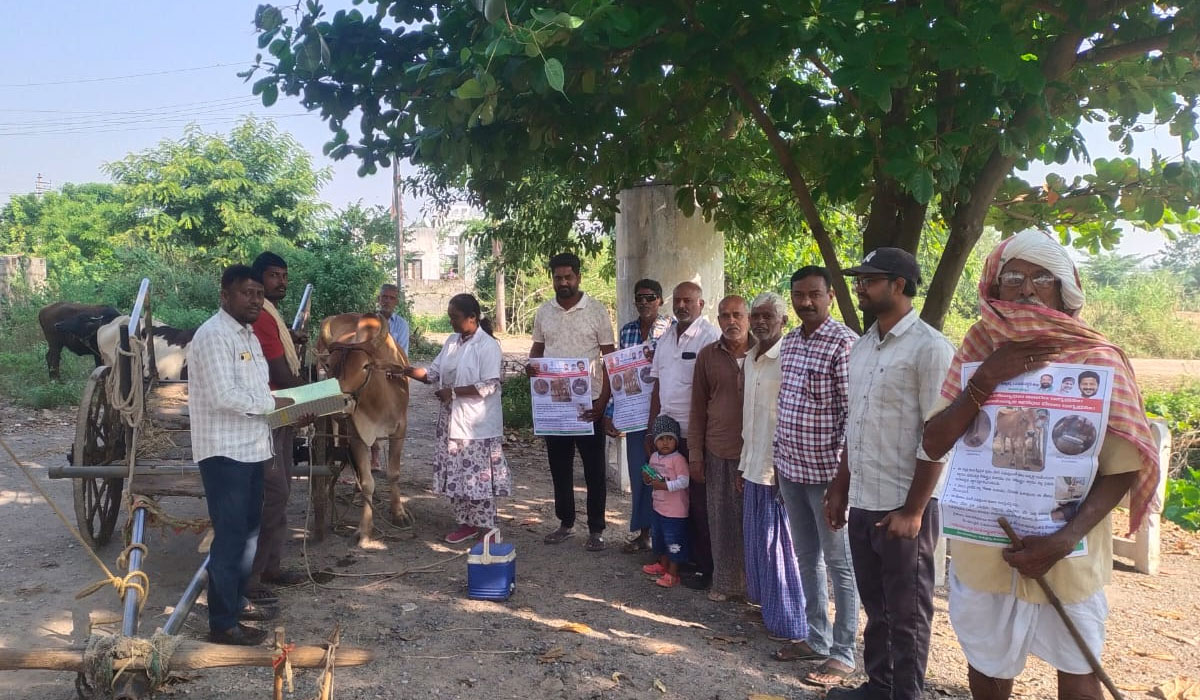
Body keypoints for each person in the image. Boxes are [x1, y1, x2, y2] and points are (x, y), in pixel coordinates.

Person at [921, 230, 1159, 700]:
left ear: (1064, 290)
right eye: (1013, 277)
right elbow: (933, 440)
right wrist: (987, 378)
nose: (1027, 289)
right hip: (986, 550)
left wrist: (1064, 539)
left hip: (1068, 551)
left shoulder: (1097, 358)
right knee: (988, 674)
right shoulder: (979, 347)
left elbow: (1123, 466)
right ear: (995, 287)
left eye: (1042, 278)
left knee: (1080, 676)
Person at [824, 248, 955, 700]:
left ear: (899, 285)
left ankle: (906, 694)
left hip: (904, 506)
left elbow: (937, 436)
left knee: (908, 613)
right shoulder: (863, 346)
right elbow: (856, 424)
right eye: (859, 280)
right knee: (877, 608)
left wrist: (914, 510)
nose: (860, 287)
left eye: (869, 280)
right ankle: (879, 687)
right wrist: (840, 487)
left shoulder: (930, 348)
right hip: (865, 499)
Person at [189, 265, 293, 645]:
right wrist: (275, 404)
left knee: (249, 531)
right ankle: (222, 624)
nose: (255, 300)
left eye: (258, 294)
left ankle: (235, 603)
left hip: (251, 448)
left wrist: (288, 408)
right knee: (231, 537)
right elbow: (224, 396)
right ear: (225, 295)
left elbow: (256, 393)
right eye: (246, 293)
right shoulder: (214, 335)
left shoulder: (247, 335)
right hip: (224, 452)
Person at [772, 266, 860, 683]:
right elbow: (786, 404)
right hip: (791, 470)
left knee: (839, 564)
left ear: (830, 297)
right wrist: (778, 462)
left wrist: (842, 483)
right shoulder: (790, 342)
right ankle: (816, 638)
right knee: (807, 558)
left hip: (828, 477)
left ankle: (844, 652)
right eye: (798, 295)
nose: (805, 302)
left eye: (814, 295)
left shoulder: (844, 344)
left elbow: (854, 416)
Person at [528, 253, 616, 550]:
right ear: (552, 279)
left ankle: (596, 529)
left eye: (568, 277)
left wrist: (603, 402)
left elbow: (609, 358)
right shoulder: (544, 311)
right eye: (558, 278)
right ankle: (565, 523)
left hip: (588, 403)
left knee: (594, 470)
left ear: (578, 277)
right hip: (555, 406)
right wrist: (532, 368)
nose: (563, 282)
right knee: (559, 467)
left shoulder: (596, 310)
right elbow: (537, 350)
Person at [406, 294, 511, 543]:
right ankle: (466, 523)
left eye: (455, 317)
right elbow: (432, 374)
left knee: (478, 476)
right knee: (456, 473)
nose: (451, 322)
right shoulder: (452, 342)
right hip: (450, 420)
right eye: (450, 317)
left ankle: (486, 527)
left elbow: (490, 385)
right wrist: (404, 370)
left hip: (477, 424)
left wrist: (453, 392)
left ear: (472, 318)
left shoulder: (487, 345)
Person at [739, 292, 808, 645]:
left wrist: (786, 464)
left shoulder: (789, 358)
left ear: (783, 321)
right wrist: (743, 463)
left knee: (779, 545)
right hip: (753, 462)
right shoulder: (750, 359)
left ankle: (790, 622)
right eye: (756, 315)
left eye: (768, 316)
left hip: (778, 466)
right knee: (757, 542)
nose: (760, 322)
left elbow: (795, 415)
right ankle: (768, 607)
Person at [645, 281, 720, 589]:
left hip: (695, 435)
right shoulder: (665, 337)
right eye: (678, 300)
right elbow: (657, 385)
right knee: (669, 499)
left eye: (688, 300)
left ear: (701, 304)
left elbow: (712, 392)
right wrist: (652, 427)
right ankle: (678, 558)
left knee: (699, 503)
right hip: (666, 436)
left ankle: (705, 566)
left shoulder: (709, 337)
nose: (682, 305)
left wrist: (701, 441)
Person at [243, 252, 309, 604]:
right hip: (266, 415)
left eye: (284, 275)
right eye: (273, 276)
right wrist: (312, 397)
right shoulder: (264, 318)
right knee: (273, 492)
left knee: (281, 489)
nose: (281, 282)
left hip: (278, 413)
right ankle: (252, 577)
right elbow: (280, 374)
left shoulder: (273, 316)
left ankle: (270, 566)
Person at [689, 295, 752, 602]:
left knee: (754, 522)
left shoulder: (765, 354)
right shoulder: (707, 356)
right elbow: (697, 409)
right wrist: (695, 455)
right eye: (725, 316)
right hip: (718, 449)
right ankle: (725, 584)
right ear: (718, 321)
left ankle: (756, 587)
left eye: (737, 315)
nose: (731, 321)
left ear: (748, 317)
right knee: (721, 519)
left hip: (756, 455)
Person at [604, 278, 673, 554]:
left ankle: (666, 537)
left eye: (650, 297)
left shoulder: (672, 329)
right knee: (640, 473)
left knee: (665, 473)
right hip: (634, 416)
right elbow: (618, 376)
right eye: (639, 298)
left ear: (660, 300)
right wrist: (611, 413)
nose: (644, 303)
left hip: (664, 414)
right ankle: (644, 533)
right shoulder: (627, 331)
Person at [640, 414, 691, 588]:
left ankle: (673, 573)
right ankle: (662, 565)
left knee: (674, 543)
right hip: (658, 508)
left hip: (675, 512)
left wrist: (664, 486)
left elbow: (684, 481)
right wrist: (647, 478)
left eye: (670, 438)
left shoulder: (678, 459)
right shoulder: (654, 457)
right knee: (659, 538)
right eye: (661, 439)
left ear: (676, 440)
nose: (666, 443)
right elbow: (651, 479)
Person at [372, 283, 410, 472]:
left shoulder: (402, 324)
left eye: (391, 298)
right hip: (371, 372)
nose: (387, 301)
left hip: (393, 372)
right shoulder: (367, 321)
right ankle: (374, 456)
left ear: (396, 302)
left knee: (395, 414)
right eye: (384, 297)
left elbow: (401, 353)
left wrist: (389, 367)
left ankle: (391, 459)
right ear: (378, 299)